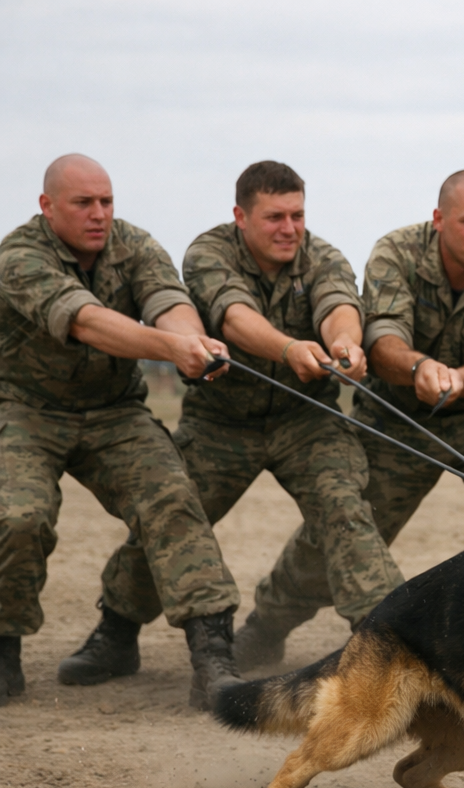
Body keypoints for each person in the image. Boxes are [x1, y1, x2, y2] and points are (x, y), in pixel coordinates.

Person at [71, 160, 404, 691]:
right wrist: (289, 348)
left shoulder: (321, 256)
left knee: (344, 509)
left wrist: (345, 342)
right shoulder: (209, 253)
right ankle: (117, 630)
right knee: (176, 520)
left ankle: (387, 645)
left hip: (306, 419)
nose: (289, 228)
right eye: (274, 216)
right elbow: (232, 316)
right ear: (240, 217)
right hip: (221, 422)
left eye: (297, 215)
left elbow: (338, 303)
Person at [234, 168, 464, 668]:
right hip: (399, 414)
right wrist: (420, 369)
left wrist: (459, 380)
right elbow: (382, 342)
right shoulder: (397, 253)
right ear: (439, 220)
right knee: (343, 534)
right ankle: (267, 626)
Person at [0, 154, 243, 708]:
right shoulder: (19, 256)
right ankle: (2, 646)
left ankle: (213, 656)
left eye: (106, 201)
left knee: (174, 499)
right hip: (26, 410)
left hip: (113, 411)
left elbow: (168, 300)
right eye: (84, 203)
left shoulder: (133, 244)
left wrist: (193, 342)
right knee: (19, 516)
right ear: (47, 206)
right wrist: (170, 348)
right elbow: (84, 320)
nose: (99, 214)